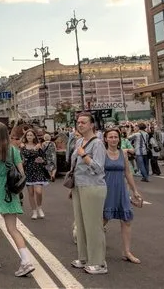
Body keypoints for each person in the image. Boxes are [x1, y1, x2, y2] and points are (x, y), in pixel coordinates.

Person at [0, 122, 35, 277]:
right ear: (6, 133)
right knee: (13, 229)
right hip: (10, 192)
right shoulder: (14, 150)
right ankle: (26, 261)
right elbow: (21, 172)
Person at [69, 112, 108, 275]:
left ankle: (99, 262)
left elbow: (99, 168)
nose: (80, 125)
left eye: (84, 122)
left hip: (93, 186)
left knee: (93, 225)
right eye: (78, 122)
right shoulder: (79, 141)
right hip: (78, 186)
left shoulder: (97, 143)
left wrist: (84, 155)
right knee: (81, 223)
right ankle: (84, 257)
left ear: (92, 125)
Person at [103, 128, 142, 264]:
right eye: (111, 137)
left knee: (126, 221)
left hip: (121, 190)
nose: (113, 139)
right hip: (106, 190)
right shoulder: (102, 153)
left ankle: (126, 252)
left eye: (116, 137)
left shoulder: (123, 153)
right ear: (106, 139)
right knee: (102, 221)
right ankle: (96, 250)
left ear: (119, 139)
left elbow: (128, 173)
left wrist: (134, 190)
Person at [20, 128, 48, 220]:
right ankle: (34, 211)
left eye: (31, 135)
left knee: (38, 191)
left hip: (38, 170)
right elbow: (26, 155)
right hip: (28, 170)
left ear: (34, 136)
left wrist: (42, 160)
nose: (29, 137)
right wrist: (34, 150)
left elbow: (44, 158)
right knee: (31, 193)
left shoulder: (38, 146)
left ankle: (39, 207)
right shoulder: (23, 146)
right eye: (28, 135)